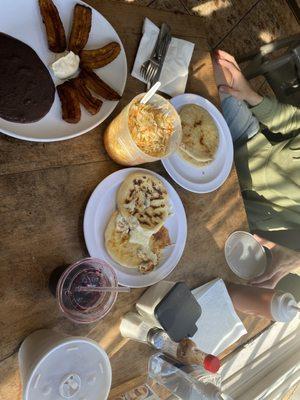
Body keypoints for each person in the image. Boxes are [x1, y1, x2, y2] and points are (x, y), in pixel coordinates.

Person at [212, 50, 300, 288]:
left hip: (243, 214)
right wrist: (251, 96)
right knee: (214, 66)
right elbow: (293, 121)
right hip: (247, 143)